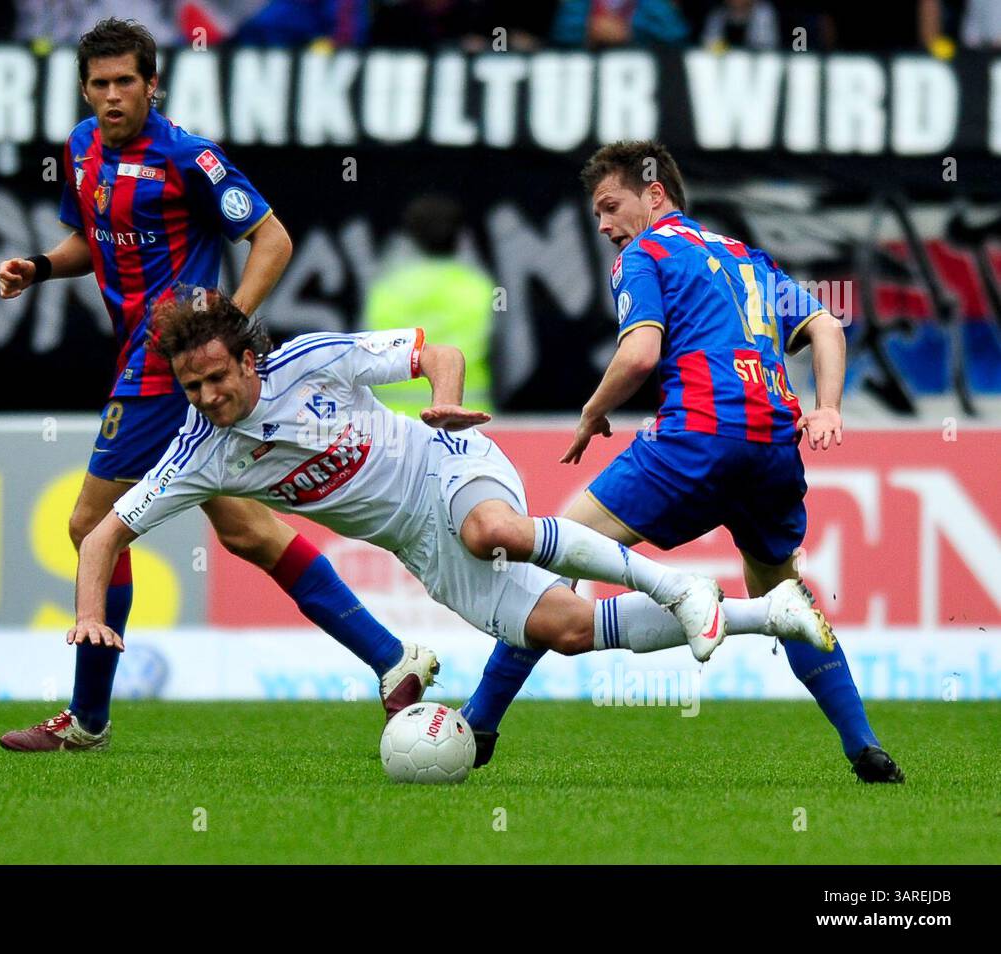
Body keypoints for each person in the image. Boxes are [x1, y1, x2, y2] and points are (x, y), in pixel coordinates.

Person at [0, 18, 434, 752]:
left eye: (125, 82)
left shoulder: (187, 156)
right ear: (83, 87)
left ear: (152, 83)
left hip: (164, 372)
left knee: (88, 525)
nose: (111, 96)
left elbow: (273, 238)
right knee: (246, 530)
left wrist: (227, 326)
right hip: (137, 359)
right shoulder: (80, 148)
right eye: (99, 83)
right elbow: (90, 239)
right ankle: (394, 659)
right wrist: (39, 267)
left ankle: (88, 718)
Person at [67, 291, 835, 709]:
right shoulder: (201, 454)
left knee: (487, 528)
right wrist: (89, 618)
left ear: (246, 359)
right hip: (419, 547)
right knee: (563, 631)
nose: (207, 397)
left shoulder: (309, 361)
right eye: (191, 387)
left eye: (216, 378)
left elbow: (440, 351)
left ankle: (675, 586)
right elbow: (102, 535)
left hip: (448, 460)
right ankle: (767, 613)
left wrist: (445, 400)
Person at [461, 140, 904, 783]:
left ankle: (478, 723)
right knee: (786, 596)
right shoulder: (747, 259)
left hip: (695, 441)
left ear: (655, 193)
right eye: (597, 216)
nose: (605, 225)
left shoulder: (647, 253)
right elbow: (829, 328)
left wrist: (591, 411)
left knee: (555, 558)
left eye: (611, 206)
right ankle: (865, 745)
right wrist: (828, 406)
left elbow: (641, 355)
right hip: (774, 449)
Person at [363, 194, 495, 416]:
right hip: (466, 423)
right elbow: (508, 363)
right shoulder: (479, 289)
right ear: (461, 236)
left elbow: (361, 360)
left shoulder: (384, 291)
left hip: (390, 425)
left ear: (409, 236)